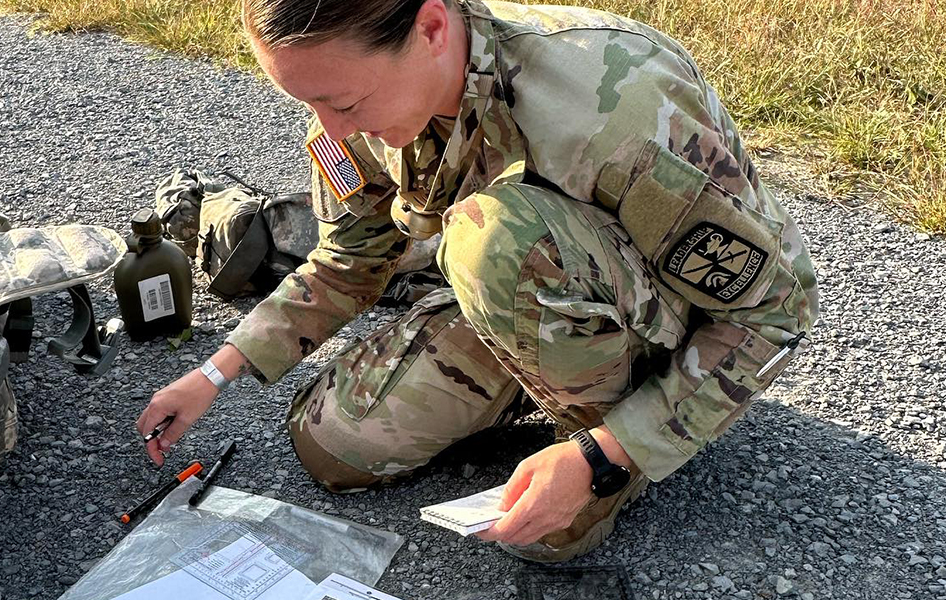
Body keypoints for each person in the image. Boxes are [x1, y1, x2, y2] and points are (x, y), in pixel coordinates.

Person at [138, 0, 818, 562]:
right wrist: (214, 375)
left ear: (432, 28)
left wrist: (604, 455)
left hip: (657, 324)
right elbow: (350, 257)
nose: (330, 129)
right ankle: (532, 359)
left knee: (544, 535)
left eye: (342, 101)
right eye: (310, 102)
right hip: (530, 289)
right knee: (337, 447)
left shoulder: (615, 115)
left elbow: (776, 312)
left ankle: (601, 428)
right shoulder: (352, 100)